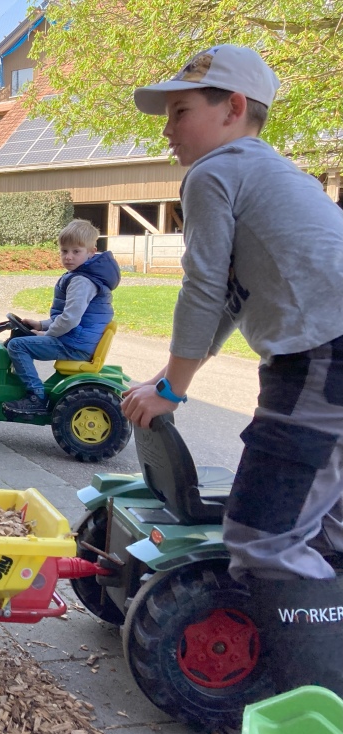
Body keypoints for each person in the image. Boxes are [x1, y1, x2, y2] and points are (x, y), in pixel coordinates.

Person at [122, 44, 343, 696]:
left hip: (322, 356)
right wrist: (169, 378)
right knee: (325, 527)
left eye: (180, 111)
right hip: (326, 351)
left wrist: (172, 389)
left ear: (234, 108)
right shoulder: (270, 172)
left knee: (263, 536)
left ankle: (315, 711)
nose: (167, 129)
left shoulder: (214, 172)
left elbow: (200, 289)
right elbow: (225, 297)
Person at [2, 218, 120, 414]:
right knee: (21, 339)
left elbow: (70, 319)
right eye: (64, 251)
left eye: (76, 251)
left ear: (91, 252)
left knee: (16, 345)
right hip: (79, 341)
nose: (68, 257)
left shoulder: (81, 281)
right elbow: (69, 316)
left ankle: (35, 396)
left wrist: (47, 334)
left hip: (74, 346)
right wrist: (41, 324)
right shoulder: (85, 275)